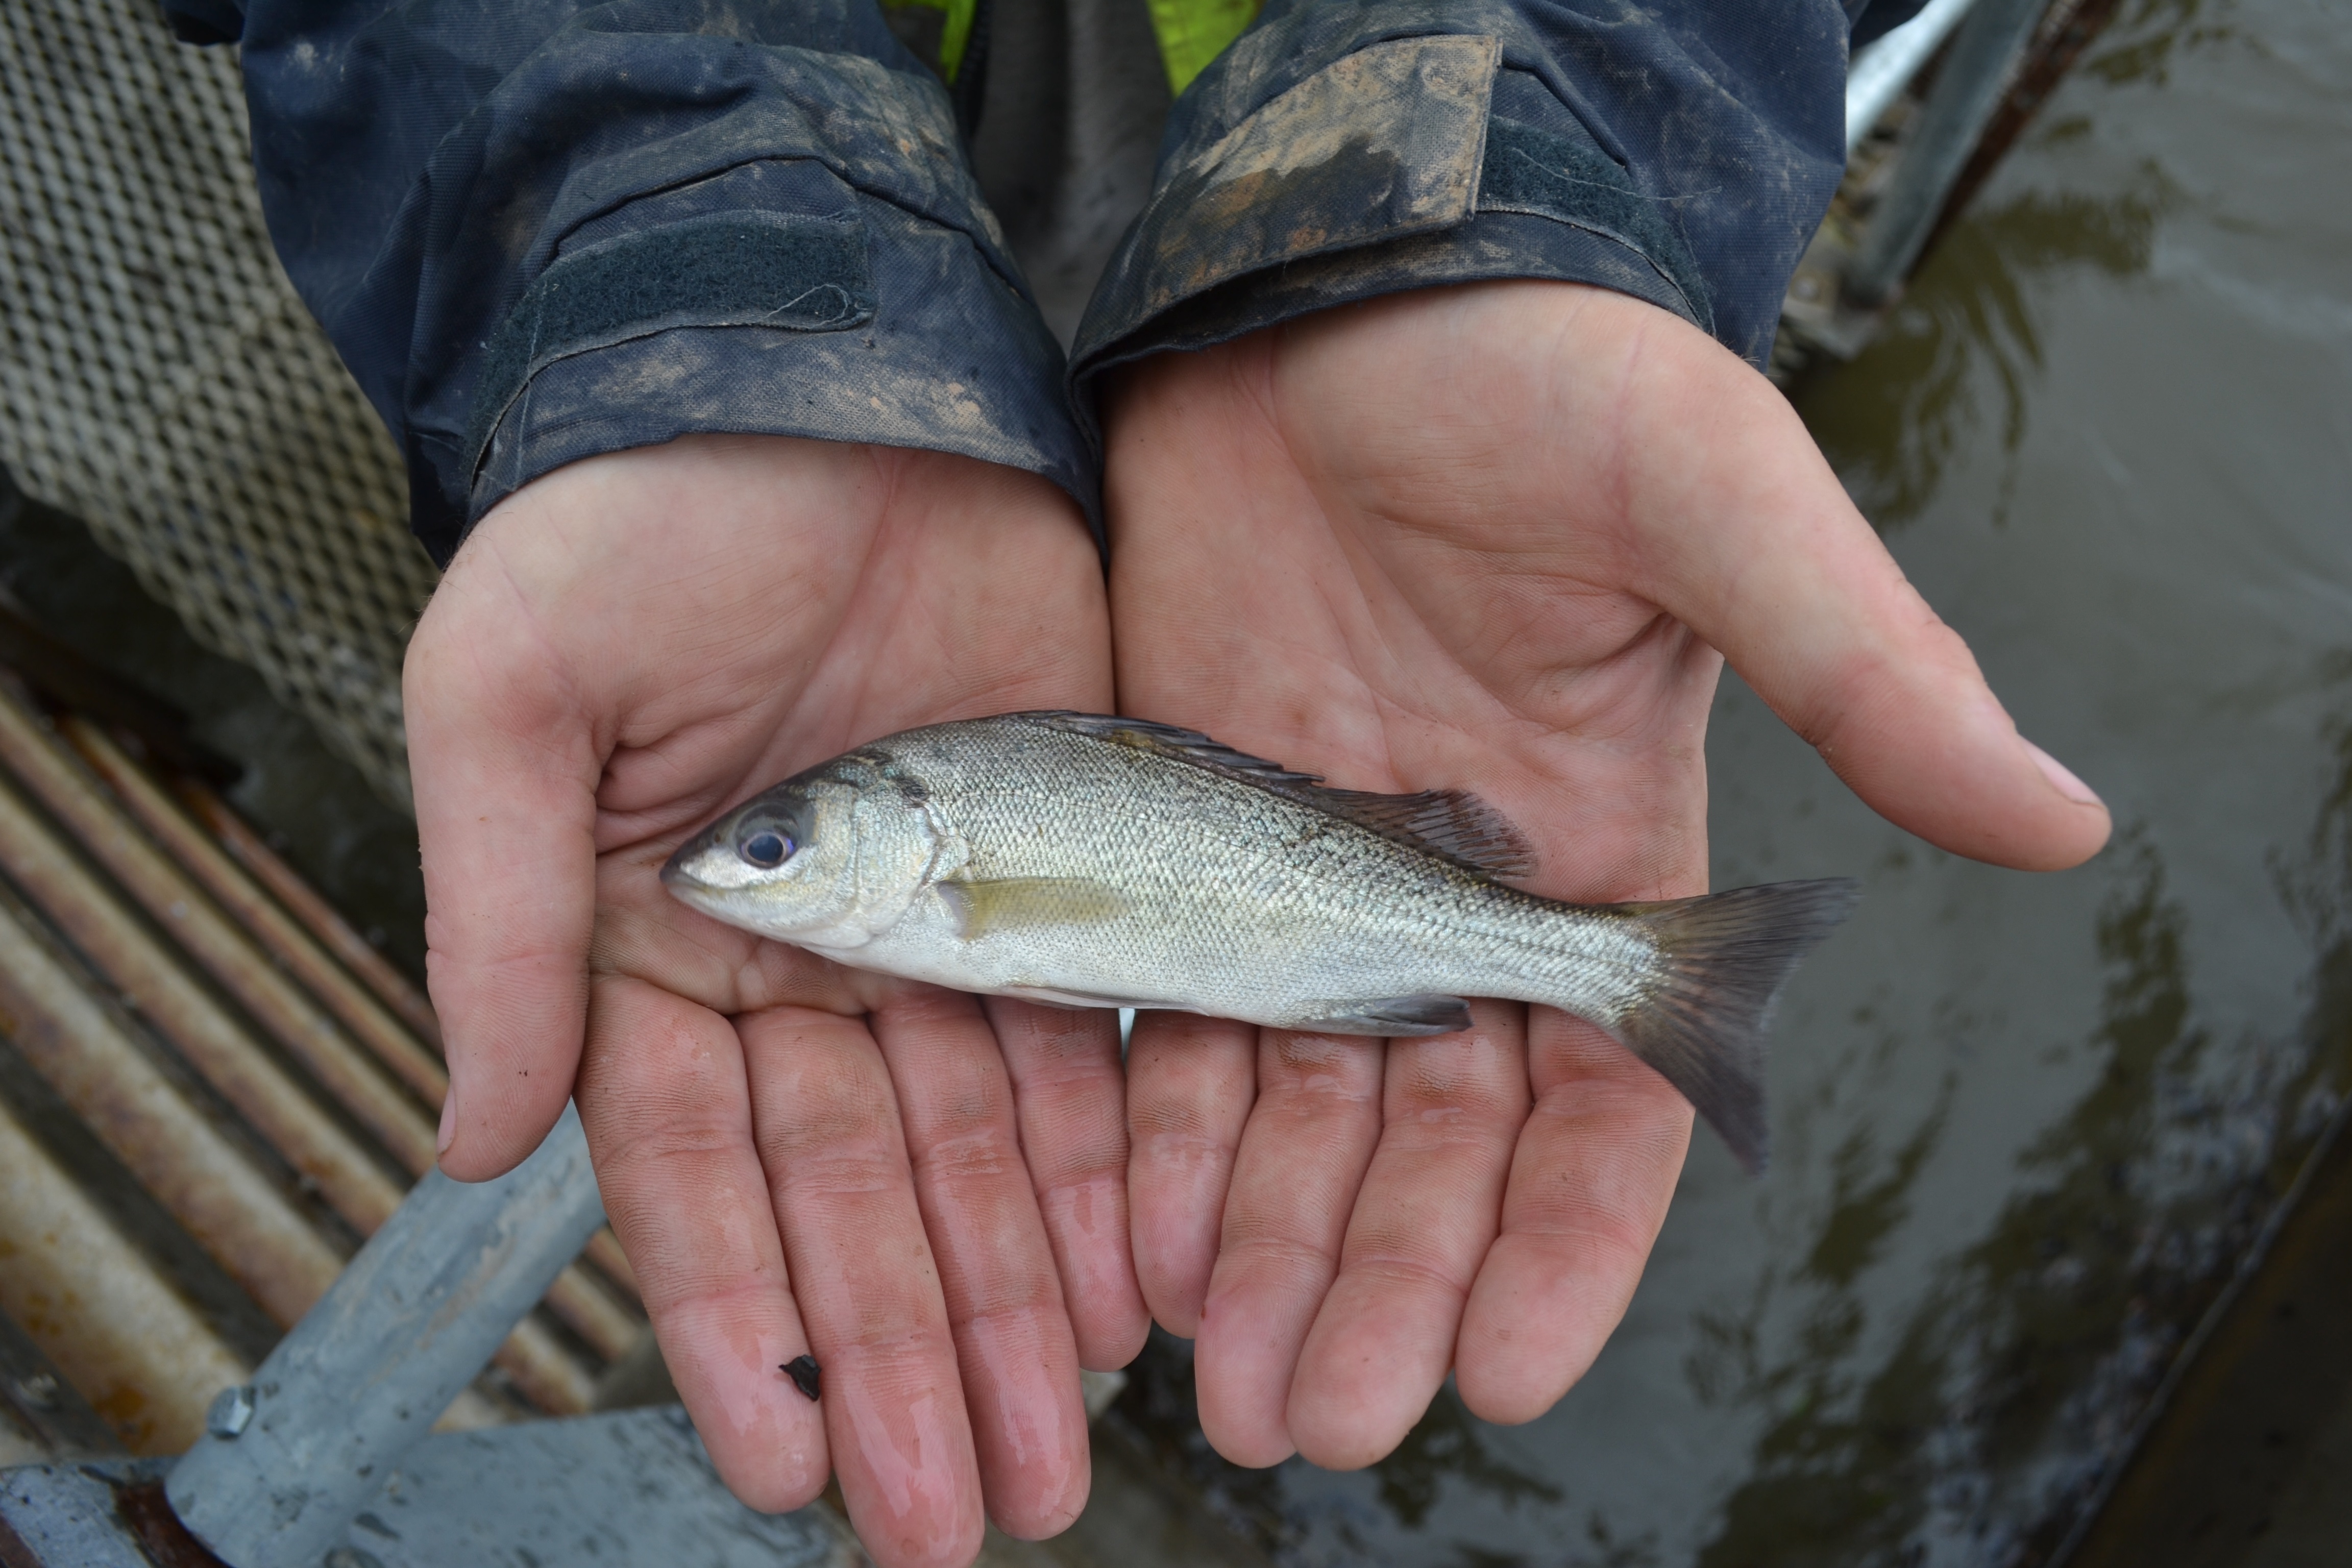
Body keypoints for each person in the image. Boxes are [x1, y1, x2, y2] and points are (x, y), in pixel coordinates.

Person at [169, 1, 2111, 1563]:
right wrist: (674, 272)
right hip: (895, 203)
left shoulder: (947, 870)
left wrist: (1494, 187)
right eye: (760, 847)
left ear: (901, 844)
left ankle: (1643, 963)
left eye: (772, 847)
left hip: (1278, 215)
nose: (733, 867)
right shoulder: (916, 845)